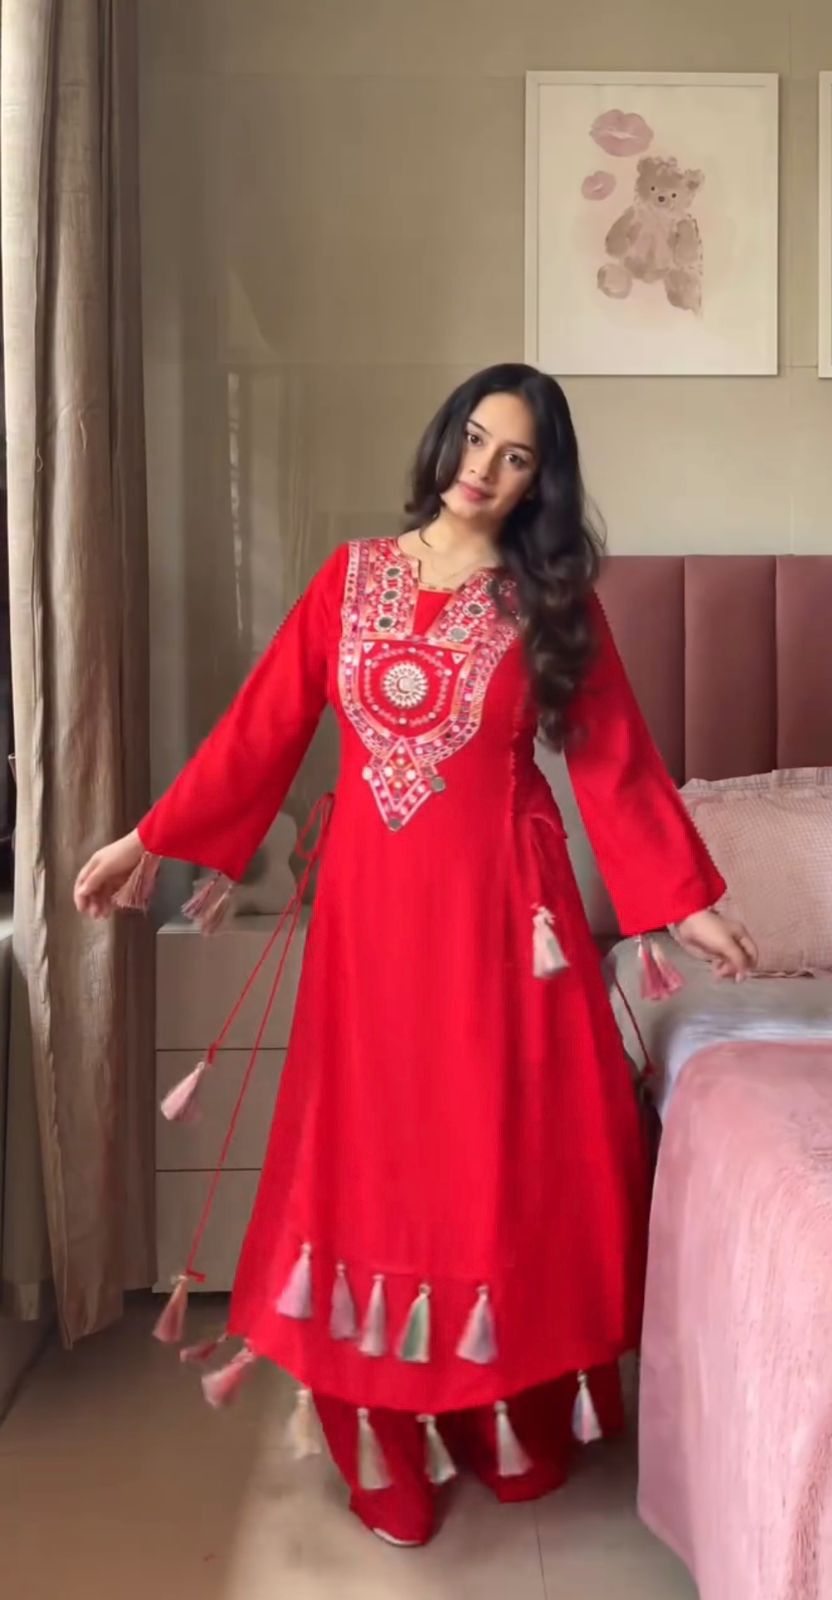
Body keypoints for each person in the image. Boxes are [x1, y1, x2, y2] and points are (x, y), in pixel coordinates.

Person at [74, 363, 755, 1548]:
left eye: (516, 457)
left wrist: (684, 905)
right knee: (378, 1163)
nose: (483, 470)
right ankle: (384, 1441)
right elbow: (261, 728)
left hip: (507, 929)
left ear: (541, 482)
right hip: (372, 930)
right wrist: (150, 837)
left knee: (492, 1159)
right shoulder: (350, 580)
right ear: (445, 438)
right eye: (475, 439)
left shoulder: (549, 604)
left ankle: (513, 1419)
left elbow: (614, 758)